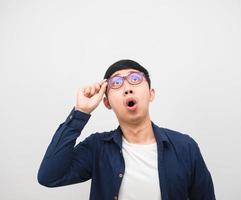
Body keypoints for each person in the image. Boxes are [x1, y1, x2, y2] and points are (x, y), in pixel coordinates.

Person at [37, 59, 216, 200]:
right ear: (106, 102)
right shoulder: (97, 147)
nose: (128, 88)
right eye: (116, 83)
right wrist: (81, 112)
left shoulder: (185, 147)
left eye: (135, 79)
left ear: (151, 93)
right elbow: (49, 176)